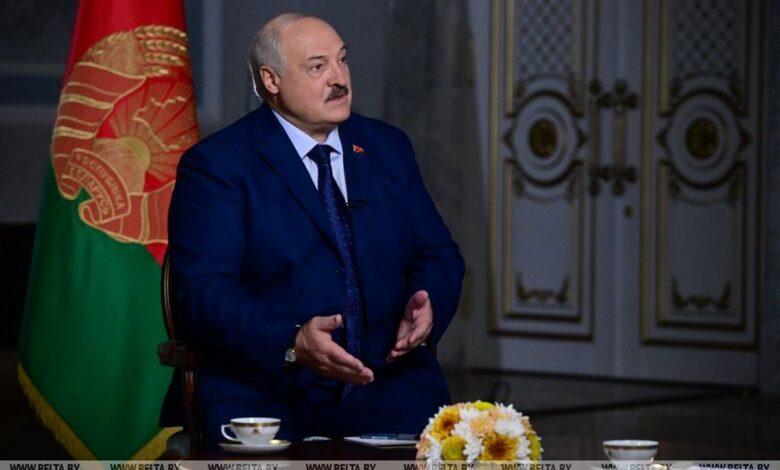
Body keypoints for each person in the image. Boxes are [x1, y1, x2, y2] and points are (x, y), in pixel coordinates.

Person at [161, 12, 464, 449]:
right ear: (271, 80)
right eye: (318, 66)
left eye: (342, 60)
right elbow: (204, 293)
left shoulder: (387, 147)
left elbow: (438, 253)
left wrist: (428, 300)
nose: (339, 79)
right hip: (264, 386)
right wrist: (291, 341)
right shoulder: (219, 165)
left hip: (387, 382)